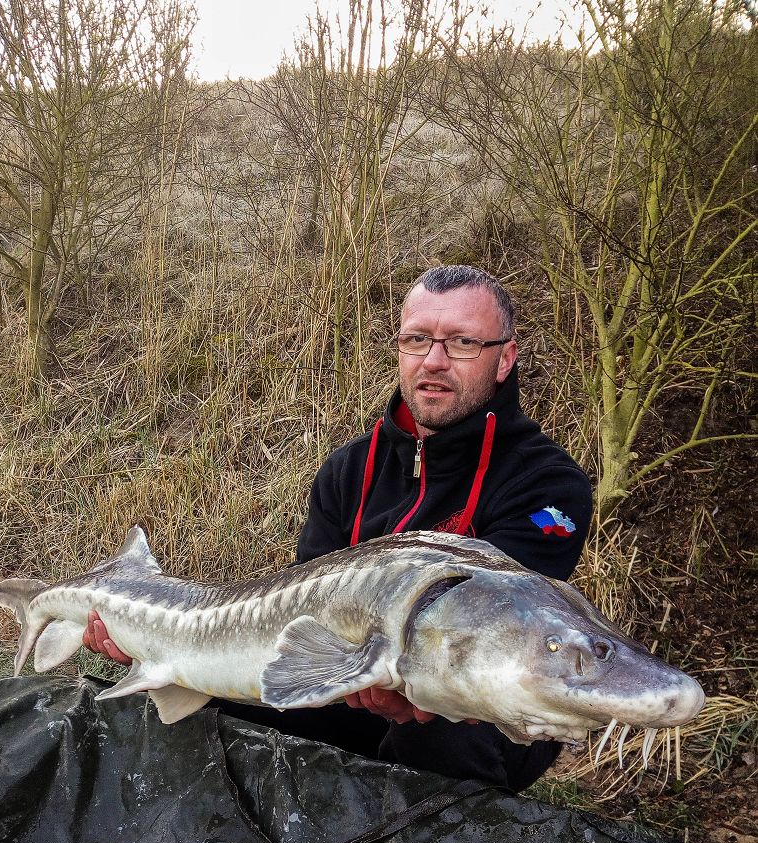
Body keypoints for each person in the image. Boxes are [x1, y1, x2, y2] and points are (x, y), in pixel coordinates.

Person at [85, 265, 592, 792]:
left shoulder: (549, 486)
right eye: (417, 340)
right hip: (343, 680)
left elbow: (498, 630)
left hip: (469, 712)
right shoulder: (349, 468)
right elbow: (299, 621)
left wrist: (401, 684)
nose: (433, 361)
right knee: (213, 698)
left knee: (442, 726)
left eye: (462, 342)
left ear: (504, 358)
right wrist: (162, 650)